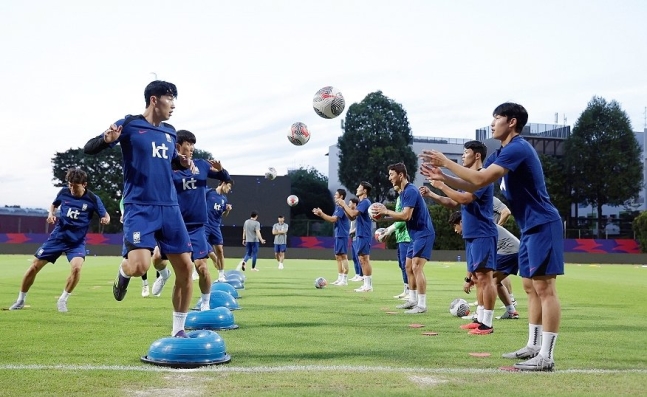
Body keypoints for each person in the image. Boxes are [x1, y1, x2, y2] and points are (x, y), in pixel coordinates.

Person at [420, 102, 563, 371]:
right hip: (529, 226)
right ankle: (533, 346)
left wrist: (446, 163)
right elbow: (477, 181)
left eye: (496, 118)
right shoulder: (504, 152)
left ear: (511, 122)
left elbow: (481, 177)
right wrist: (443, 176)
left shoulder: (518, 147)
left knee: (545, 289)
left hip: (543, 223)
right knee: (530, 287)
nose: (492, 123)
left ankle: (547, 355)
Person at [83, 80, 195, 338]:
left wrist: (181, 163)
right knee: (139, 266)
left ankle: (179, 330)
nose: (173, 105)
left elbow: (168, 163)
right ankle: (123, 273)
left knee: (185, 269)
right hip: (139, 208)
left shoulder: (170, 132)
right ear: (154, 99)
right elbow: (89, 148)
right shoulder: (130, 124)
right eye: (170, 98)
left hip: (170, 208)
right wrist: (105, 139)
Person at [420, 140, 498, 333]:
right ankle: (480, 319)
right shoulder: (470, 180)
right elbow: (453, 202)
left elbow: (464, 199)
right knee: (478, 278)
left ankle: (487, 323)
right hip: (473, 235)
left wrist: (442, 183)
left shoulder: (482, 176)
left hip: (483, 233)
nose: (463, 156)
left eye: (465, 153)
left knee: (485, 278)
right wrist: (433, 194)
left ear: (477, 155)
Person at [149, 130, 231, 311]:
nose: (192, 148)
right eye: (188, 144)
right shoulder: (168, 167)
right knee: (156, 259)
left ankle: (205, 303)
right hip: (174, 226)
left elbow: (226, 179)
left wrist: (221, 169)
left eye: (193, 144)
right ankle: (163, 275)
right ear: (178, 146)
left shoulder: (201, 165)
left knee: (202, 268)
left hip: (196, 228)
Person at [8, 168, 110, 312]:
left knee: (76, 268)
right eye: (70, 185)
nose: (72, 189)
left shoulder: (93, 199)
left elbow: (105, 215)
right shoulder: (64, 192)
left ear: (84, 184)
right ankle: (20, 300)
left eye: (75, 186)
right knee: (34, 267)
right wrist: (51, 213)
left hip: (76, 242)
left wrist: (105, 219)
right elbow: (54, 204)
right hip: (57, 238)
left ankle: (63, 300)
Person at [374, 163, 435, 313]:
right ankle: (412, 300)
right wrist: (383, 219)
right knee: (408, 267)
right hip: (415, 235)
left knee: (416, 267)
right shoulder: (403, 193)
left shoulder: (411, 191)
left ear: (401, 175)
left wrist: (385, 210)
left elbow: (406, 216)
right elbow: (403, 218)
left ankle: (422, 305)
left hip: (424, 233)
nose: (389, 178)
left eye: (391, 175)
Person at [448, 211, 520, 320]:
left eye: (455, 226)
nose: (455, 230)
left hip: (508, 251)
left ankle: (480, 315)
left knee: (483, 280)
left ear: (462, 222)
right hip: (516, 251)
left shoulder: (473, 230)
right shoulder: (480, 224)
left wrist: (468, 280)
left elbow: (471, 260)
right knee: (494, 282)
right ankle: (511, 311)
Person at [336, 182, 373, 292]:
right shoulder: (362, 202)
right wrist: (344, 207)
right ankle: (366, 284)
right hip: (360, 233)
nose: (357, 189)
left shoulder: (365, 202)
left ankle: (368, 285)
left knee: (364, 259)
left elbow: (352, 214)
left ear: (364, 190)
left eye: (359, 187)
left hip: (364, 234)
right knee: (362, 259)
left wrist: (344, 204)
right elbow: (352, 217)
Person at [376, 184, 411, 299]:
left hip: (407, 237)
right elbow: (397, 217)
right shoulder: (400, 197)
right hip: (401, 237)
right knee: (402, 265)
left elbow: (403, 218)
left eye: (392, 176)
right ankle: (406, 290)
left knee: (407, 266)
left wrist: (389, 230)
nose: (392, 182)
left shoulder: (406, 196)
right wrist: (384, 219)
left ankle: (411, 291)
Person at [119, 197, 157, 297]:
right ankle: (145, 284)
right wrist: (123, 212)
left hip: (158, 214)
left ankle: (161, 277)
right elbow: (124, 198)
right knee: (140, 264)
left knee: (159, 256)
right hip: (139, 220)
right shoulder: (135, 184)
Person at [312, 189, 351, 286]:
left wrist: (322, 214)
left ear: (341, 196)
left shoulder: (342, 207)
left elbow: (333, 219)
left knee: (343, 256)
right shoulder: (338, 207)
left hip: (342, 234)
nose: (334, 196)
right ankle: (340, 277)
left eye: (336, 194)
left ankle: (345, 280)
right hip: (338, 234)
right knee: (338, 256)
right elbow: (331, 219)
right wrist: (321, 215)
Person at [206, 180, 233, 283]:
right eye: (229, 186)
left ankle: (221, 275)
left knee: (220, 251)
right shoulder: (208, 192)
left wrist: (227, 210)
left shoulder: (224, 199)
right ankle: (212, 258)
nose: (229, 189)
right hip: (205, 224)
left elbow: (222, 215)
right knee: (203, 244)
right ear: (223, 183)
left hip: (216, 226)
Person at [493, 196, 516, 306]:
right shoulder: (478, 201)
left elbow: (506, 212)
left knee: (488, 275)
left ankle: (482, 308)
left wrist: (496, 228)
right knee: (497, 274)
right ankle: (510, 303)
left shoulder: (491, 199)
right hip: (490, 239)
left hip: (497, 239)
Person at [348, 199, 363, 282]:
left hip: (357, 237)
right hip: (353, 238)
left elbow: (359, 226)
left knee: (359, 257)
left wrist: (352, 231)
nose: (349, 204)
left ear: (355, 204)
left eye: (350, 203)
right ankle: (357, 274)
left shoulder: (357, 213)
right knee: (354, 257)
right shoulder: (352, 214)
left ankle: (361, 275)